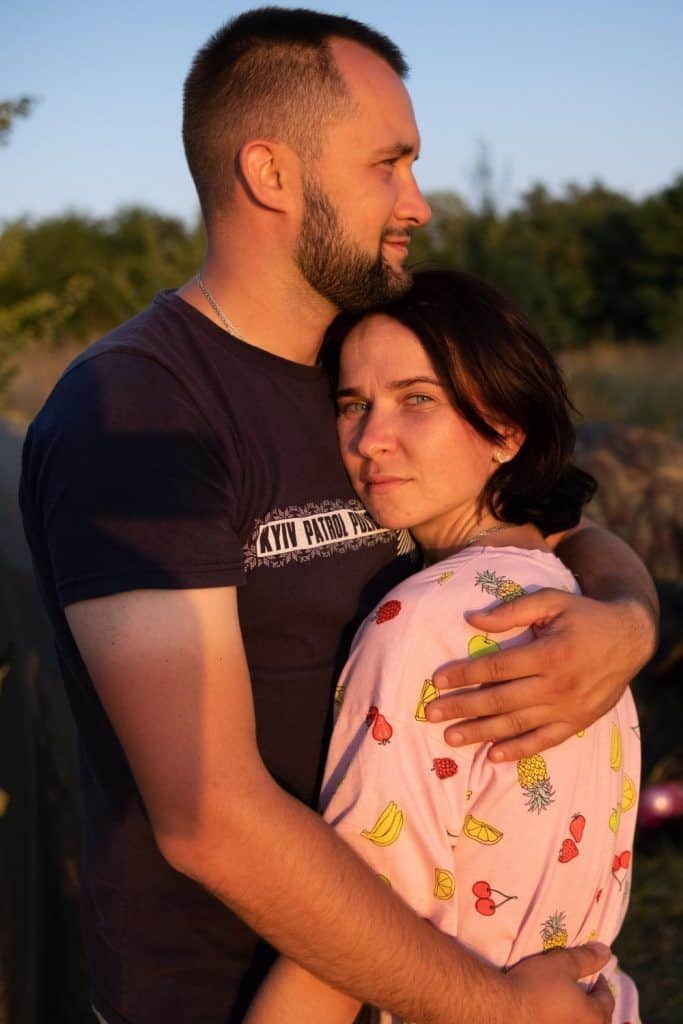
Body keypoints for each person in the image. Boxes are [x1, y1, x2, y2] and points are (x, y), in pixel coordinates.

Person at [19, 9, 656, 1024]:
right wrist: (497, 1011)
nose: (418, 203)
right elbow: (208, 815)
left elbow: (538, 514)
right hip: (231, 998)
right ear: (271, 172)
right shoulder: (139, 410)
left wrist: (624, 616)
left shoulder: (361, 365)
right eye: (387, 164)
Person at [245, 268, 642, 1023]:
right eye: (352, 404)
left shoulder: (423, 622)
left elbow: (353, 922)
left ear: (506, 430)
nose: (370, 440)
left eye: (417, 399)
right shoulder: (574, 601)